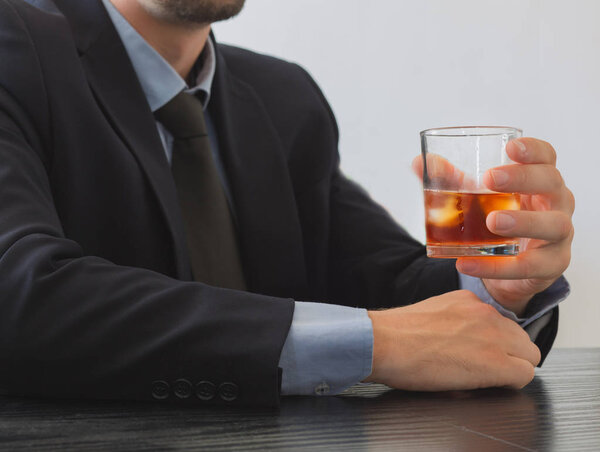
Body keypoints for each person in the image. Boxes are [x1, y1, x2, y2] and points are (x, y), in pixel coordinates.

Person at [0, 0, 573, 406]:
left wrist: (496, 287)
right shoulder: (14, 47)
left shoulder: (281, 96)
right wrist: (377, 343)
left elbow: (385, 279)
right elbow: (18, 296)